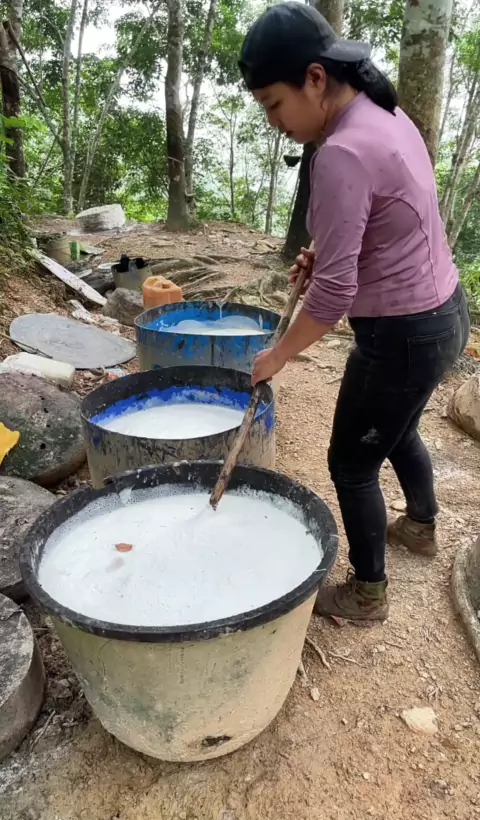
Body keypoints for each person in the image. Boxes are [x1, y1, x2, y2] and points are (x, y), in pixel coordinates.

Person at [239, 1, 470, 621]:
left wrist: (278, 356)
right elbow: (386, 219)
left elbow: (333, 299)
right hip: (446, 314)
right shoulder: (383, 112)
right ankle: (420, 526)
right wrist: (327, 252)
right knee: (398, 428)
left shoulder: (340, 153)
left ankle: (369, 594)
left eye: (274, 104)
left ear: (315, 78)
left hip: (402, 336)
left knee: (351, 463)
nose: (274, 122)